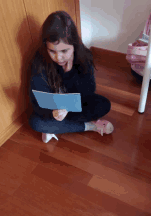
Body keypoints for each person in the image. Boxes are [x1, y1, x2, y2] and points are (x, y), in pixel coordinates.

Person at [28, 10, 114, 143]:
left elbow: (89, 92)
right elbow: (37, 101)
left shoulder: (83, 56)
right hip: (54, 111)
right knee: (35, 122)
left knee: (103, 105)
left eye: (64, 51)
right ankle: (89, 126)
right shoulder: (40, 62)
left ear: (74, 45)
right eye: (52, 51)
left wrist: (69, 73)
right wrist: (52, 113)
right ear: (46, 46)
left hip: (75, 107)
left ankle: (57, 128)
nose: (58, 57)